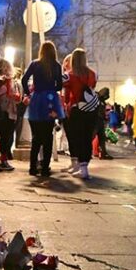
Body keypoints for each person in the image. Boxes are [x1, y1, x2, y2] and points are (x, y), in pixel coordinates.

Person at [21, 41, 65, 176]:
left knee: (36, 137)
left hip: (37, 99)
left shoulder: (35, 64)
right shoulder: (57, 66)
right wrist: (51, 88)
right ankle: (45, 167)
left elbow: (24, 79)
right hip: (50, 101)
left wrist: (29, 93)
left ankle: (32, 167)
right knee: (48, 136)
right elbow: (60, 85)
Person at [62, 48, 98, 179]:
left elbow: (66, 93)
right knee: (87, 137)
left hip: (77, 109)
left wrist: (67, 105)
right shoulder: (92, 74)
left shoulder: (69, 75)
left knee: (77, 138)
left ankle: (81, 167)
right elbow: (92, 88)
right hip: (91, 110)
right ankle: (85, 167)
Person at [0, 58, 22, 171]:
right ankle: (3, 160)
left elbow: (17, 97)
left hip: (7, 112)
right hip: (6, 112)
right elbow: (13, 97)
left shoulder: (9, 82)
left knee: (5, 137)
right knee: (5, 137)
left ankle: (4, 159)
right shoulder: (2, 82)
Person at [95, 88, 113, 159]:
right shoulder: (96, 99)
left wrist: (105, 117)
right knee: (90, 137)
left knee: (102, 138)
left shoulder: (102, 101)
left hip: (100, 121)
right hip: (95, 121)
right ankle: (84, 153)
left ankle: (103, 153)